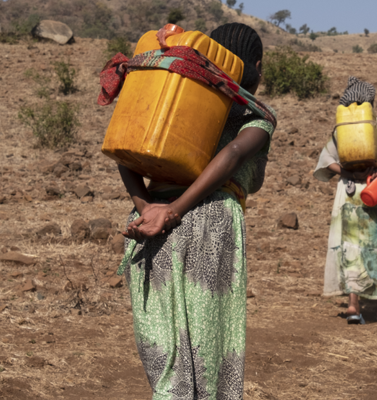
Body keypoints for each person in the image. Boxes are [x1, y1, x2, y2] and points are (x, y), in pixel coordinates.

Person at [116, 23, 275, 399]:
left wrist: (149, 207)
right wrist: (173, 212)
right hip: (210, 223)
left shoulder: (168, 102)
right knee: (206, 350)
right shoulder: (256, 117)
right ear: (253, 65)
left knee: (164, 355)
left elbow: (123, 149)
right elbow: (233, 154)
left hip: (147, 223)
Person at [314, 77, 377, 325]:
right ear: (372, 102)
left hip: (348, 195)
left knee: (351, 248)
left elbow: (326, 162)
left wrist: (348, 173)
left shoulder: (340, 129)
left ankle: (353, 307)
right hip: (376, 191)